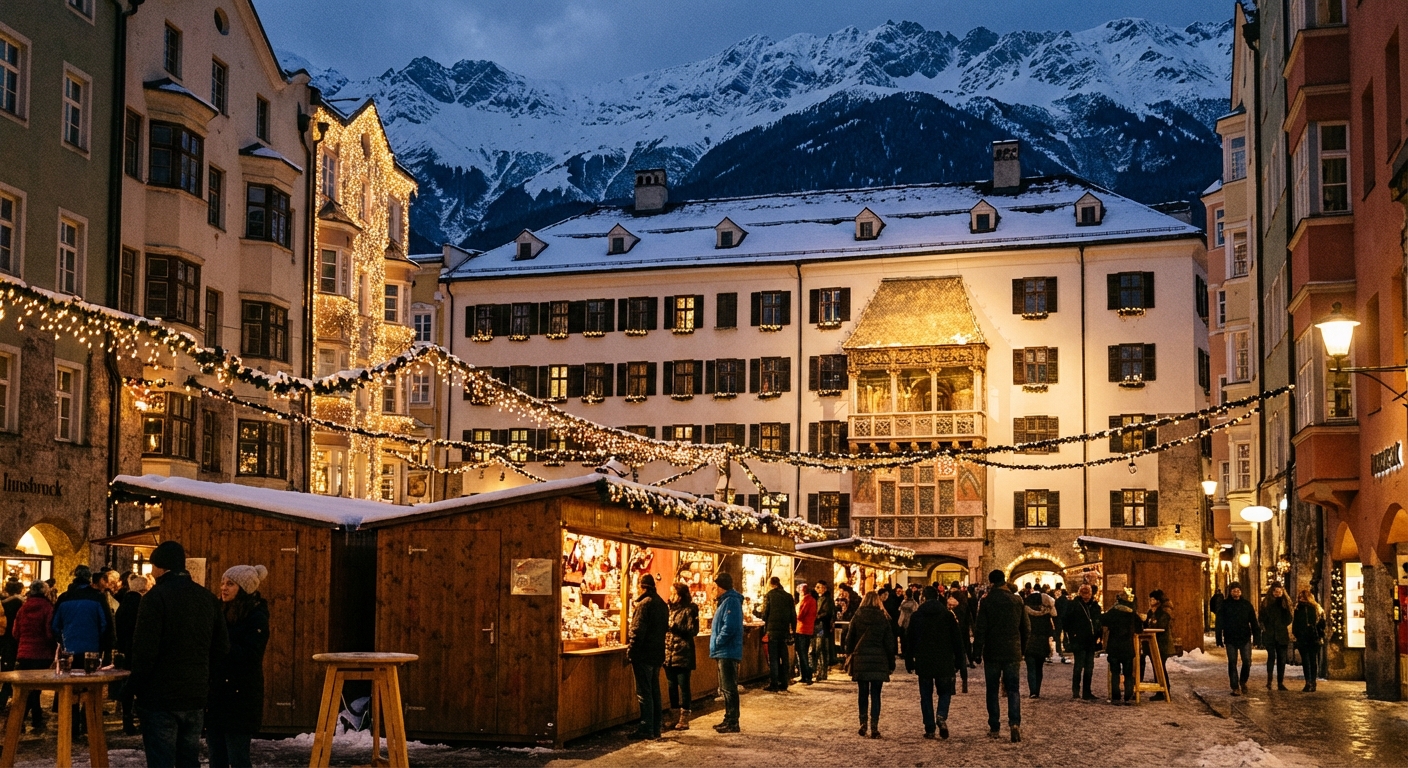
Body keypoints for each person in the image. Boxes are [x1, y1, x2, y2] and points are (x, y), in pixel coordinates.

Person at [128, 541, 231, 767]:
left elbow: (145, 651)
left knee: (162, 760)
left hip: (160, 697)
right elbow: (221, 647)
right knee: (188, 759)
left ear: (160, 567)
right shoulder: (207, 598)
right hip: (195, 694)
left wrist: (135, 688)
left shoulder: (155, 599)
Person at [207, 565, 270, 768]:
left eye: (230, 584)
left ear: (243, 588)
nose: (223, 588)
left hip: (241, 696)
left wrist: (220, 646)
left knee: (237, 756)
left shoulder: (255, 616)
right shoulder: (218, 611)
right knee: (217, 756)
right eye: (223, 583)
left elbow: (250, 655)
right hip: (217, 694)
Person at [52, 564, 112, 737]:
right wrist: (100, 643)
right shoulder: (97, 598)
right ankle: (88, 725)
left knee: (71, 687)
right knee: (90, 688)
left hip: (69, 650)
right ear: (89, 579)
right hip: (91, 650)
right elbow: (105, 624)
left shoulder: (64, 598)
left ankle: (72, 726)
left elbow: (55, 626)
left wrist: (62, 641)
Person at [972, 570, 1028, 743]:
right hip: (1012, 650)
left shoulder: (987, 601)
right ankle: (1014, 723)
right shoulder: (1017, 600)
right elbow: (1026, 628)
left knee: (992, 690)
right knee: (1013, 689)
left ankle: (994, 726)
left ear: (991, 582)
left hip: (992, 651)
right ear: (1004, 580)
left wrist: (977, 651)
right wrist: (1022, 649)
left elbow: (980, 628)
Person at [906, 586, 963, 740]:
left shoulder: (917, 616)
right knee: (944, 692)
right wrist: (959, 660)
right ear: (938, 597)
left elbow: (909, 640)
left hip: (924, 660)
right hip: (944, 660)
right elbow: (957, 640)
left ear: (923, 597)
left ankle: (930, 728)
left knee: (926, 695)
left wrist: (909, 660)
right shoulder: (947, 615)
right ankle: (941, 715)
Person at [846, 591, 896, 739]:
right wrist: (891, 663)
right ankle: (874, 726)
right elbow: (889, 643)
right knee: (876, 694)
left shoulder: (857, 616)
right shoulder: (882, 617)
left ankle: (863, 723)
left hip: (861, 659)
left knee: (862, 693)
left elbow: (849, 639)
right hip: (879, 660)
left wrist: (849, 654)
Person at [626, 574, 668, 739]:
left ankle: (646, 728)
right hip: (657, 654)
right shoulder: (662, 605)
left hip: (644, 655)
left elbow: (637, 631)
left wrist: (631, 652)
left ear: (642, 586)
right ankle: (656, 727)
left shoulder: (644, 605)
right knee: (654, 691)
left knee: (644, 693)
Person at [12, 581, 55, 733]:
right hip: (41, 653)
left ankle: (28, 717)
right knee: (35, 688)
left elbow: (15, 632)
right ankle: (31, 717)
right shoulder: (47, 608)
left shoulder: (23, 608)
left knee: (28, 688)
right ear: (45, 592)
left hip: (24, 652)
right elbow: (49, 632)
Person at [709, 573, 744, 733]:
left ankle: (732, 721)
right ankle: (728, 718)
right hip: (724, 650)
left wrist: (718, 641)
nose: (713, 590)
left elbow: (730, 626)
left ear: (721, 587)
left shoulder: (731, 601)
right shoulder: (726, 601)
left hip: (727, 651)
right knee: (726, 687)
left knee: (729, 688)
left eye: (715, 587)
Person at [664, 583, 699, 731]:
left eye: (674, 593)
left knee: (683, 686)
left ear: (680, 595)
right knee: (671, 686)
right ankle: (674, 715)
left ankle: (685, 718)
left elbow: (693, 630)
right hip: (669, 653)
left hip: (683, 653)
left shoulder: (690, 609)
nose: (671, 595)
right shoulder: (670, 609)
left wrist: (675, 627)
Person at [115, 573, 146, 735]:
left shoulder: (123, 605)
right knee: (140, 685)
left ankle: (126, 719)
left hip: (125, 650)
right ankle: (140, 719)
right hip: (139, 651)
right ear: (142, 589)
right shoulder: (143, 605)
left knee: (128, 682)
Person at [1216, 582, 1259, 696]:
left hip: (1244, 637)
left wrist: (1257, 637)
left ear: (1241, 592)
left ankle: (1243, 681)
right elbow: (1219, 622)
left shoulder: (1246, 605)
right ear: (1230, 592)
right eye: (1234, 590)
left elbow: (1253, 621)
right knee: (1232, 662)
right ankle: (1235, 686)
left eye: (1238, 590)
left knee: (1247, 661)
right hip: (1230, 637)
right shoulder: (1225, 605)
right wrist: (1218, 637)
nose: (1236, 592)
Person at [1063, 584, 1101, 700]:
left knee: (1089, 667)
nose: (1086, 596)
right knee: (1079, 666)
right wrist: (1071, 635)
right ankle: (1076, 691)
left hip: (1091, 641)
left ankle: (1087, 692)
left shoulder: (1095, 606)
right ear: (1080, 593)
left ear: (1091, 594)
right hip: (1078, 640)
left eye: (1087, 593)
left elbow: (1098, 622)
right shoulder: (1074, 605)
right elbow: (1066, 621)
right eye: (1083, 593)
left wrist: (1098, 636)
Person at [1101, 592, 1140, 705]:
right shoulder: (1132, 614)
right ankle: (1128, 697)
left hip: (1114, 648)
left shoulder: (1113, 611)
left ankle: (1116, 697)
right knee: (1128, 674)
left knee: (1115, 673)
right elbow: (1139, 629)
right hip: (1127, 648)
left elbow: (1103, 620)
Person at [758, 576, 795, 692]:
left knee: (773, 658)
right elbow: (793, 615)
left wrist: (760, 617)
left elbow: (765, 613)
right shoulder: (788, 596)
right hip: (784, 631)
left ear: (771, 584)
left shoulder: (769, 595)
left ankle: (774, 683)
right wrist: (793, 629)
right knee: (784, 657)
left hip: (773, 631)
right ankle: (784, 682)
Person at [1259, 582, 1293, 691]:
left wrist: (1281, 624)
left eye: (1279, 591)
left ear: (1282, 592)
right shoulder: (1266, 603)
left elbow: (1289, 618)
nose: (1277, 593)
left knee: (1281, 659)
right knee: (1271, 657)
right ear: (1272, 592)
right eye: (1275, 591)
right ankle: (1269, 681)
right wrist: (1266, 628)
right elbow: (1262, 617)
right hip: (1270, 634)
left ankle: (1280, 682)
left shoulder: (1285, 603)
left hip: (1281, 635)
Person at [1142, 590, 1174, 700]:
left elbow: (1162, 627)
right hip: (1152, 643)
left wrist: (1151, 626)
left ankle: (1165, 689)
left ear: (1158, 601)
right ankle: (1160, 691)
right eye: (1150, 599)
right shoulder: (1151, 612)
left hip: (1162, 644)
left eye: (1152, 599)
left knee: (1160, 667)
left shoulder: (1164, 613)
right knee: (1156, 667)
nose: (1150, 601)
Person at [1292, 590, 1325, 692]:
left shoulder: (1316, 609)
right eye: (1300, 597)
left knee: (1311, 660)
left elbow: (1322, 624)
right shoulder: (1298, 609)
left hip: (1312, 638)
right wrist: (1297, 634)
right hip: (1304, 638)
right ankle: (1309, 682)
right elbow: (1295, 624)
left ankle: (1312, 682)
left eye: (1303, 597)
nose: (1301, 599)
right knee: (1307, 661)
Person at [1022, 591, 1052, 697]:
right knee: (1039, 668)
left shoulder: (1025, 612)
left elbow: (1023, 628)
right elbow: (1050, 630)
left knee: (1031, 669)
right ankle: (1037, 691)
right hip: (1042, 643)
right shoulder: (1046, 613)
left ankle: (1032, 691)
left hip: (1029, 642)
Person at [0, 580, 23, 709]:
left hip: (4, 638)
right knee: (12, 668)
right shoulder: (20, 604)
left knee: (5, 667)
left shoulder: (3, 604)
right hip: (15, 639)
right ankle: (7, 696)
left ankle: (3, 697)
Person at [946, 594, 971, 693]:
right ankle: (963, 684)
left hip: (954, 640)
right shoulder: (964, 609)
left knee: (954, 663)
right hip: (962, 639)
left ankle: (953, 686)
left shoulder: (950, 614)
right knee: (962, 662)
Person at [794, 581, 816, 686]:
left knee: (802, 654)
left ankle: (806, 676)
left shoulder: (805, 601)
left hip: (802, 629)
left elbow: (799, 616)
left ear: (802, 591)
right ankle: (805, 675)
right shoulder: (812, 600)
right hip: (808, 630)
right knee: (804, 653)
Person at [812, 581, 834, 680]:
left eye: (818, 587)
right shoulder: (817, 598)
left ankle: (822, 672)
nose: (816, 588)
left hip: (822, 627)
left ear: (824, 588)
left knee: (820, 648)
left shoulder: (827, 600)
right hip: (818, 626)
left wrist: (816, 617)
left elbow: (827, 613)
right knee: (818, 649)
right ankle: (820, 671)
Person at [897, 588, 919, 666]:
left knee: (903, 639)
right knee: (910, 638)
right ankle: (910, 652)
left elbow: (900, 611)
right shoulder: (914, 603)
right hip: (911, 622)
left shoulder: (903, 603)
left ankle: (904, 652)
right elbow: (916, 611)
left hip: (903, 622)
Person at [1052, 585, 1071, 664]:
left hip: (1058, 619)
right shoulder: (1068, 601)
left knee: (1058, 635)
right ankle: (1067, 646)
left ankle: (1058, 648)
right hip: (1066, 620)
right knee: (1066, 634)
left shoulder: (1058, 601)